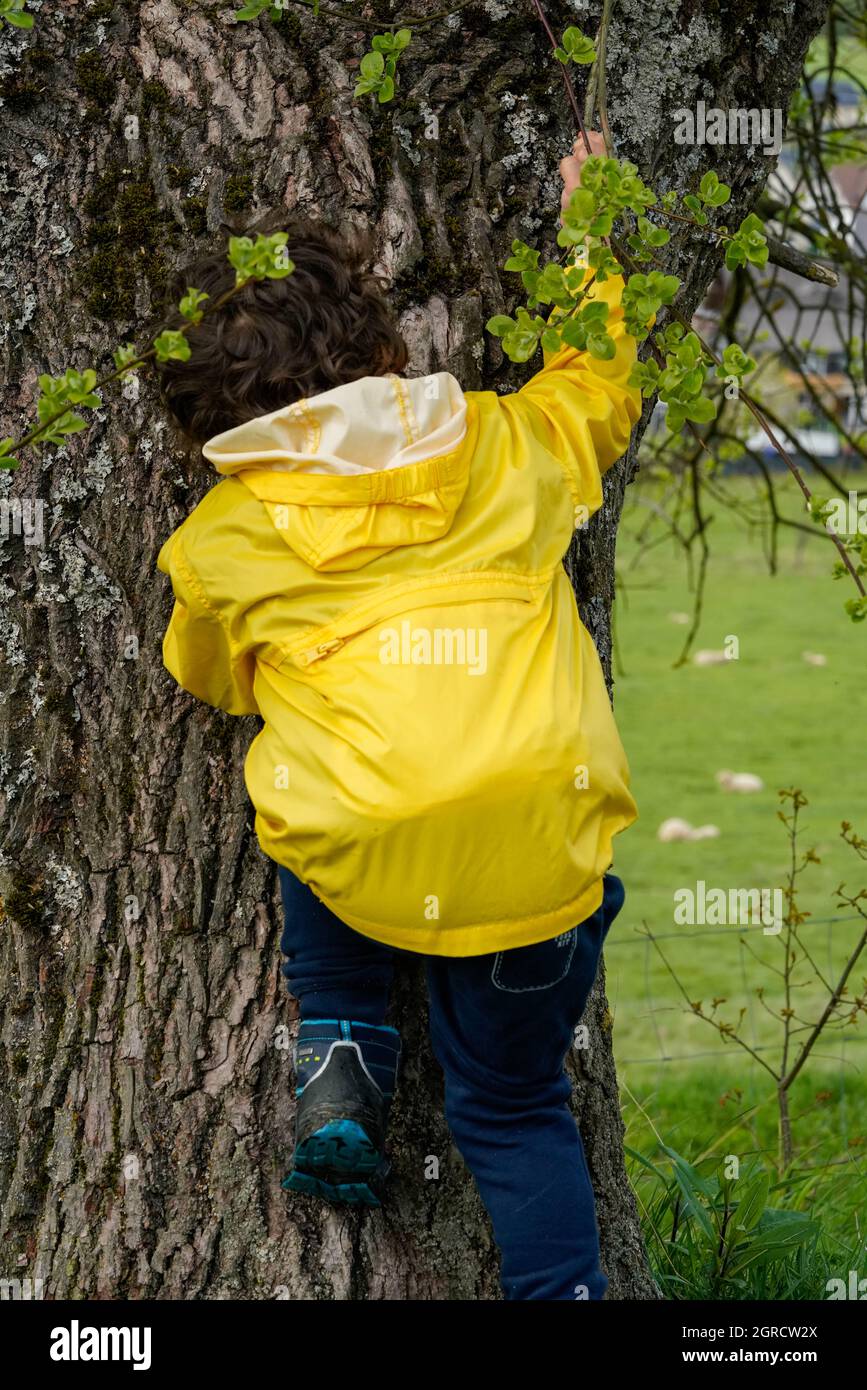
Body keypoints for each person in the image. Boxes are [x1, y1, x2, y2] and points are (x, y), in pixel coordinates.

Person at [156, 131, 640, 1299]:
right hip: (537, 847)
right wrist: (592, 242)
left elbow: (213, 677)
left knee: (306, 795)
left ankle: (341, 1044)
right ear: (383, 351)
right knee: (520, 1107)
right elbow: (596, 391)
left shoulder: (221, 541)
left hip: (367, 848)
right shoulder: (500, 445)